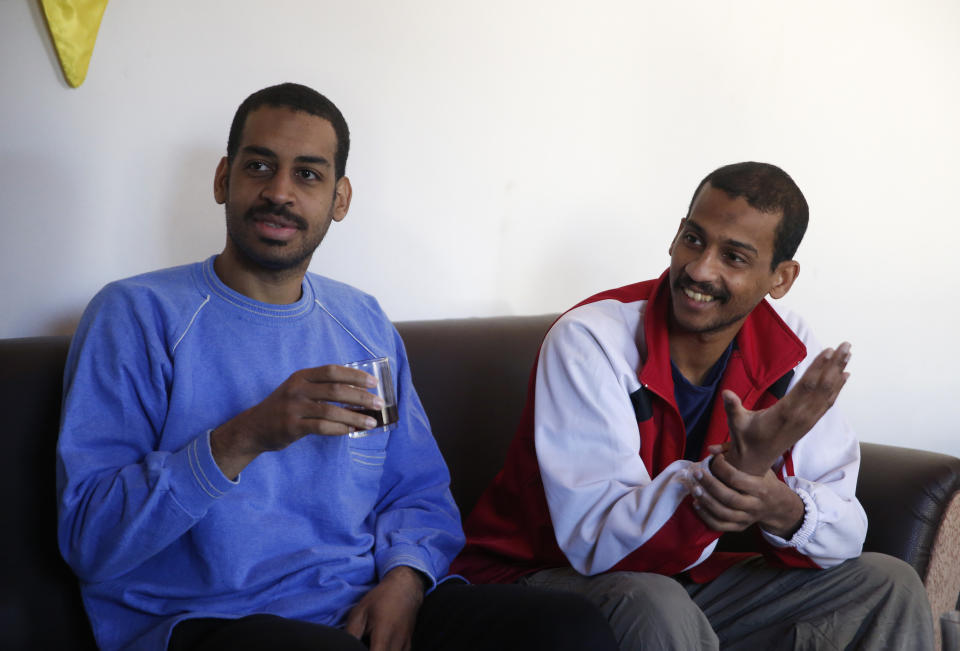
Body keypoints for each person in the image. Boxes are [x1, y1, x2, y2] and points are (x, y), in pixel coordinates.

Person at [56, 83, 618, 651]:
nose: (279, 192)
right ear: (224, 178)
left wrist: (405, 581)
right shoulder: (135, 315)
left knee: (570, 630)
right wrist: (246, 435)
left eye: (307, 174)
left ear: (340, 199)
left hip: (356, 609)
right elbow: (91, 541)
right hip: (206, 622)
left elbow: (416, 494)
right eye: (259, 166)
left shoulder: (361, 322)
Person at [452, 162, 934, 649]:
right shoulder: (590, 339)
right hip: (538, 576)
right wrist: (735, 473)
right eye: (695, 239)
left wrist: (781, 505)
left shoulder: (790, 350)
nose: (701, 269)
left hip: (682, 579)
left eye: (735, 257)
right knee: (654, 601)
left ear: (781, 278)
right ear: (676, 235)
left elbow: (845, 528)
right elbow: (596, 541)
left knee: (884, 583)